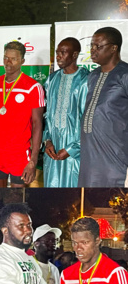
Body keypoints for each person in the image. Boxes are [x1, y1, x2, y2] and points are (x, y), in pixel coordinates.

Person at [0, 42, 45, 187]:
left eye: (13, 59)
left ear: (22, 61)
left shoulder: (33, 87)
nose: (8, 62)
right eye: (6, 58)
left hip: (19, 155)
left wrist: (33, 160)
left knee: (16, 197)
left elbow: (37, 125)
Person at [79, 27, 128, 187]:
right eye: (91, 46)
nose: (93, 51)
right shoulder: (93, 76)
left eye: (98, 46)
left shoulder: (124, 74)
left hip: (115, 155)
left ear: (114, 48)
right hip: (89, 154)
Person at [43, 38, 88, 188]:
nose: (58, 56)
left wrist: (71, 149)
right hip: (53, 150)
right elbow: (47, 114)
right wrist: (47, 140)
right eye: (57, 53)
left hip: (76, 153)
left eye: (63, 52)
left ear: (75, 55)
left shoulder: (86, 80)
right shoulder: (52, 79)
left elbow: (90, 121)